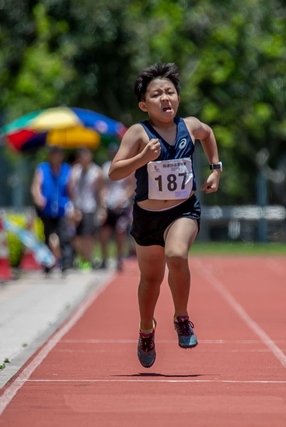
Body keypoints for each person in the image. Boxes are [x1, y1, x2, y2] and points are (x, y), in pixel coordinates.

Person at [108, 62, 221, 368]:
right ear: (144, 104)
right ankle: (146, 329)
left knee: (177, 255)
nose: (165, 98)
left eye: (169, 92)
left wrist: (216, 169)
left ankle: (181, 317)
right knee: (151, 279)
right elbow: (114, 171)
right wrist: (142, 157)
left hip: (183, 210)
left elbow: (208, 134)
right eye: (156, 94)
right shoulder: (138, 133)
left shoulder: (190, 126)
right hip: (147, 217)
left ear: (178, 98)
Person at [30, 146, 74, 274]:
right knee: (47, 235)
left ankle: (66, 263)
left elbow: (71, 189)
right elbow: (36, 186)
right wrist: (38, 197)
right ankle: (47, 263)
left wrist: (73, 206)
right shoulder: (42, 169)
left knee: (63, 236)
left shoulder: (66, 169)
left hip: (61, 208)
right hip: (46, 209)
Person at [99, 143, 135, 272]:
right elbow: (102, 187)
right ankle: (104, 258)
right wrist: (103, 203)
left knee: (120, 233)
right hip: (108, 204)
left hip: (122, 206)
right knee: (104, 233)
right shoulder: (105, 167)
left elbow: (131, 187)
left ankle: (119, 258)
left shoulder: (126, 166)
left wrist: (123, 200)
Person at [69, 148, 105, 270]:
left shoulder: (96, 172)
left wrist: (102, 208)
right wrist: (73, 207)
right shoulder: (75, 171)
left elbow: (100, 192)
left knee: (88, 235)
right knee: (76, 236)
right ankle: (83, 257)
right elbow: (71, 190)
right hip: (77, 207)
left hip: (90, 206)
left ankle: (88, 259)